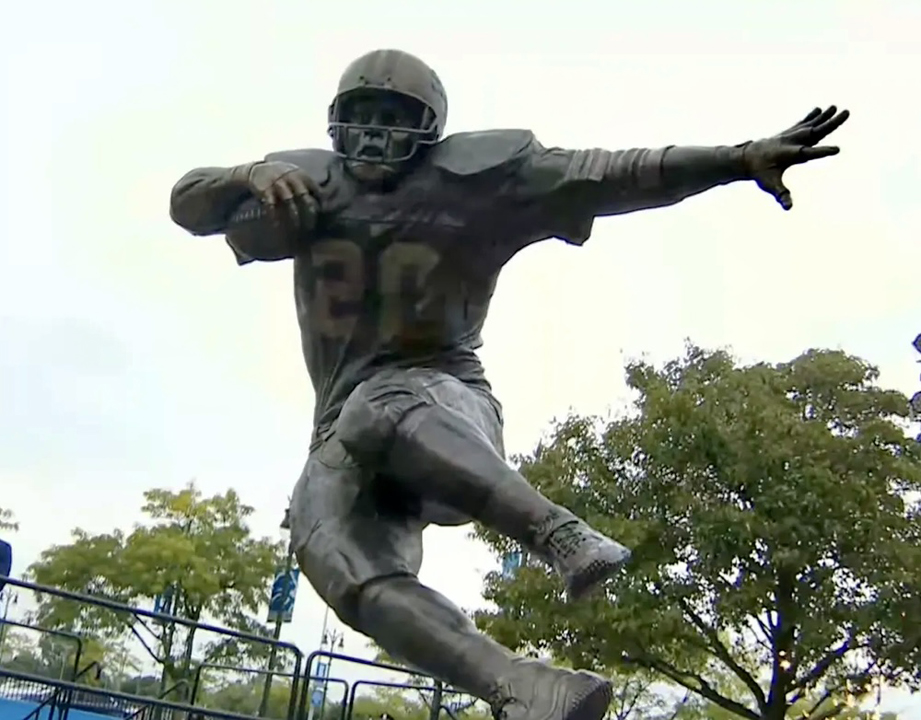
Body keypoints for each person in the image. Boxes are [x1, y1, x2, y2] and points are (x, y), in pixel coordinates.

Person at [169, 49, 848, 720]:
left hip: (444, 400)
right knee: (335, 559)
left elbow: (612, 173)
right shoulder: (303, 186)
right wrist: (249, 175)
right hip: (341, 424)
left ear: (429, 128)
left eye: (392, 116)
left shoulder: (476, 181)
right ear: (336, 122)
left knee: (380, 405)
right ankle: (525, 687)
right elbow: (189, 203)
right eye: (362, 115)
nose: (374, 132)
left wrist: (734, 159)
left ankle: (558, 535)